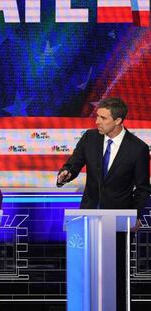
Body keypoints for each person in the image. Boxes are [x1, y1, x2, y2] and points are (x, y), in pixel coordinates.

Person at [56, 97, 150, 311]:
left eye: (102, 117)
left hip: (118, 220)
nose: (96, 121)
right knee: (85, 268)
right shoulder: (90, 138)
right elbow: (74, 164)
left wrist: (135, 215)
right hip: (87, 216)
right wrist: (65, 174)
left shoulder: (138, 149)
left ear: (118, 121)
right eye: (97, 116)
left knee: (115, 271)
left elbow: (143, 188)